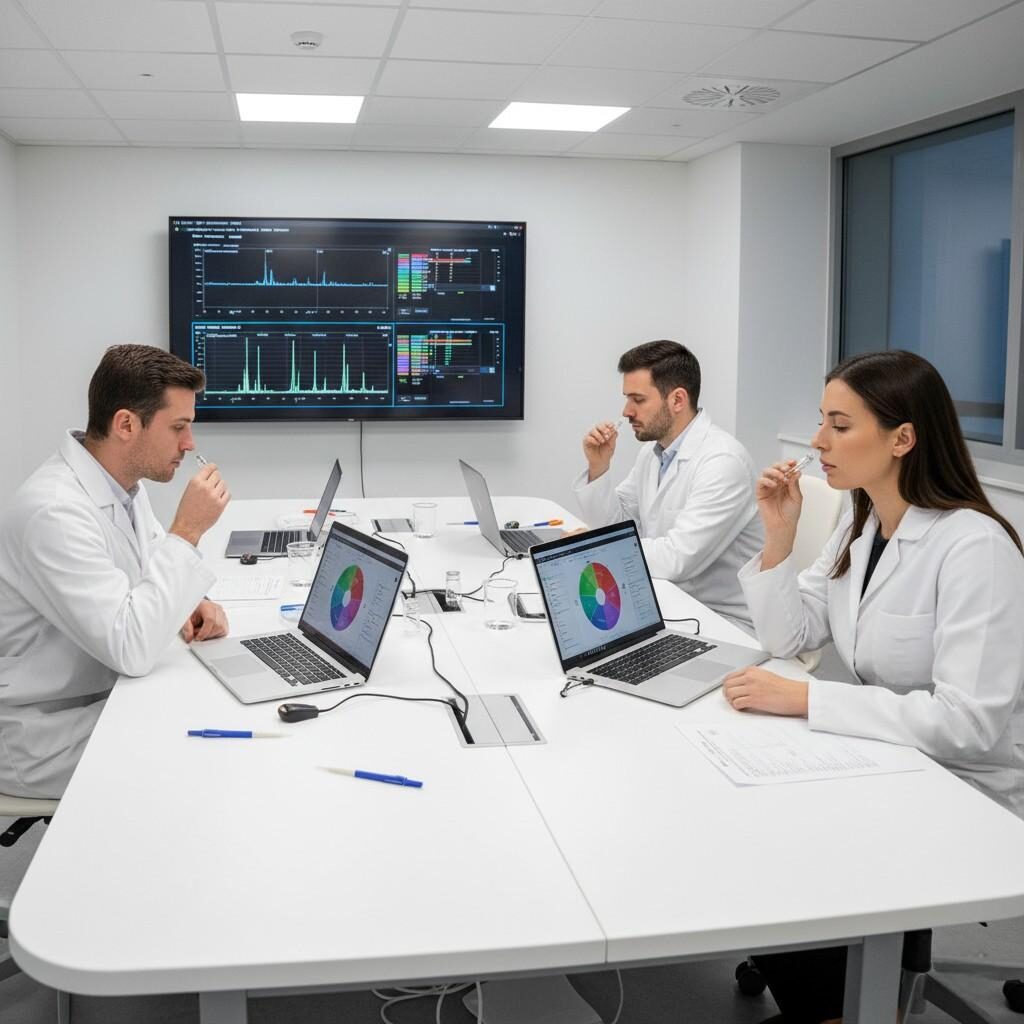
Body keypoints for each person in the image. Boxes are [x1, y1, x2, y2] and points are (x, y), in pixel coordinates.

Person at [724, 349, 1024, 1024]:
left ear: (902, 438)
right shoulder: (860, 525)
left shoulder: (974, 547)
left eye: (839, 425)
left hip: (968, 787)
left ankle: (839, 1009)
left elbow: (968, 722)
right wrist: (779, 535)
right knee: (755, 829)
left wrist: (810, 700)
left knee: (796, 857)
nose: (818, 442)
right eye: (820, 423)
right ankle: (830, 1001)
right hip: (896, 761)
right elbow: (790, 636)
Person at [0, 344, 231, 799]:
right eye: (179, 428)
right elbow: (130, 646)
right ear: (126, 424)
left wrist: (189, 600)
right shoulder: (54, 512)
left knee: (215, 718)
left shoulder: (121, 484)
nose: (190, 445)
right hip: (44, 729)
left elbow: (143, 576)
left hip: (100, 693)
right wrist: (186, 531)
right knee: (205, 758)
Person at [573, 339, 763, 630]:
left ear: (677, 400)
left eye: (638, 400)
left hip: (723, 620)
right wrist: (599, 468)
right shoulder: (654, 452)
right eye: (627, 399)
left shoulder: (723, 462)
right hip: (669, 601)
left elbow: (678, 560)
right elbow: (618, 525)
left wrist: (593, 548)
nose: (626, 411)